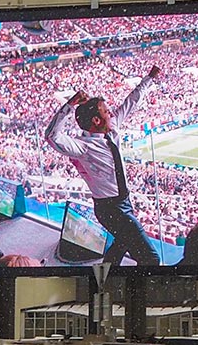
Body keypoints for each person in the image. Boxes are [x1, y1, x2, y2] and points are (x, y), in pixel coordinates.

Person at [43, 65, 161, 266]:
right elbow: (52, 136)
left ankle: (104, 280)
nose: (111, 113)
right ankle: (133, 293)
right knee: (151, 259)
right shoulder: (83, 147)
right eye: (107, 111)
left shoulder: (111, 129)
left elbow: (130, 103)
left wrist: (149, 78)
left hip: (123, 202)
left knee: (122, 243)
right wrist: (69, 105)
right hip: (111, 209)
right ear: (96, 120)